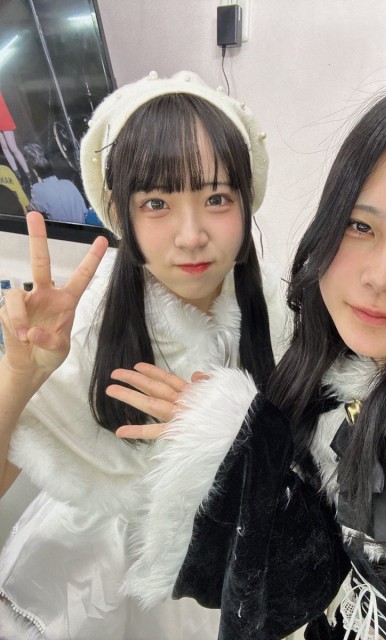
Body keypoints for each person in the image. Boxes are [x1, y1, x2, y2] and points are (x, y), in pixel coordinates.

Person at [106, 77, 386, 639]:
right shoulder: (333, 377)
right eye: (360, 225)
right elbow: (335, 560)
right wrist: (236, 449)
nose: (382, 276)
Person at [0, 70, 290, 639]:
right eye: (157, 201)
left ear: (246, 199)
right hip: (89, 575)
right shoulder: (88, 317)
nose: (191, 235)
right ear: (120, 211)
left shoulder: (277, 306)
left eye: (216, 198)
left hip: (225, 562)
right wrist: (18, 375)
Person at [23, 143, 88, 223]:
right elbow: (84, 212)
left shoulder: (38, 190)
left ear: (34, 170)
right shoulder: (69, 184)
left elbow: (30, 215)